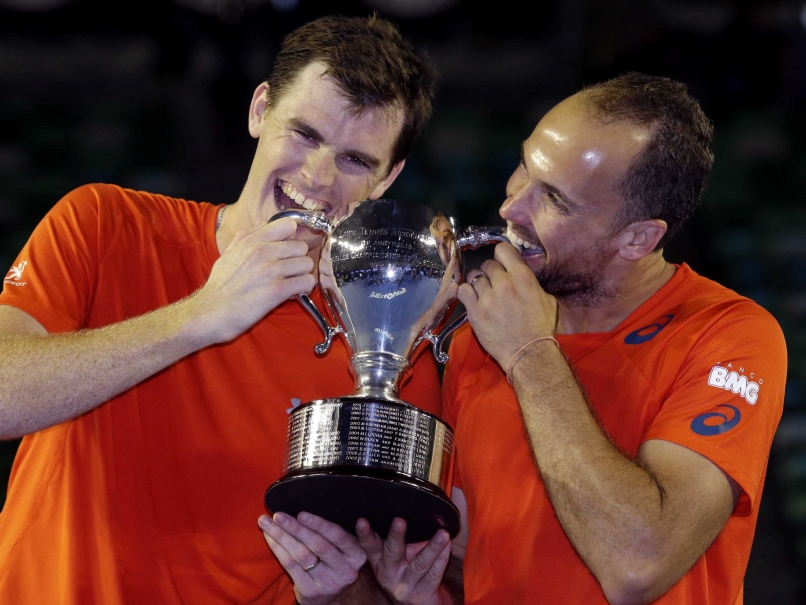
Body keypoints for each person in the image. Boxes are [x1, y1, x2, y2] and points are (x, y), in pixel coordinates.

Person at [0, 15, 440, 605]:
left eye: (356, 160)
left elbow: (399, 578)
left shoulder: (389, 344)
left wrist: (335, 593)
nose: (317, 175)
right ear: (260, 110)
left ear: (388, 178)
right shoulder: (103, 222)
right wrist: (203, 314)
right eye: (304, 133)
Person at [357, 72, 787, 604]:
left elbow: (637, 564)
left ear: (638, 237)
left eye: (554, 200)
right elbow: (485, 559)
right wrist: (416, 583)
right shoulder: (478, 337)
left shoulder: (727, 333)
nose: (510, 208)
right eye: (523, 167)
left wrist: (529, 352)